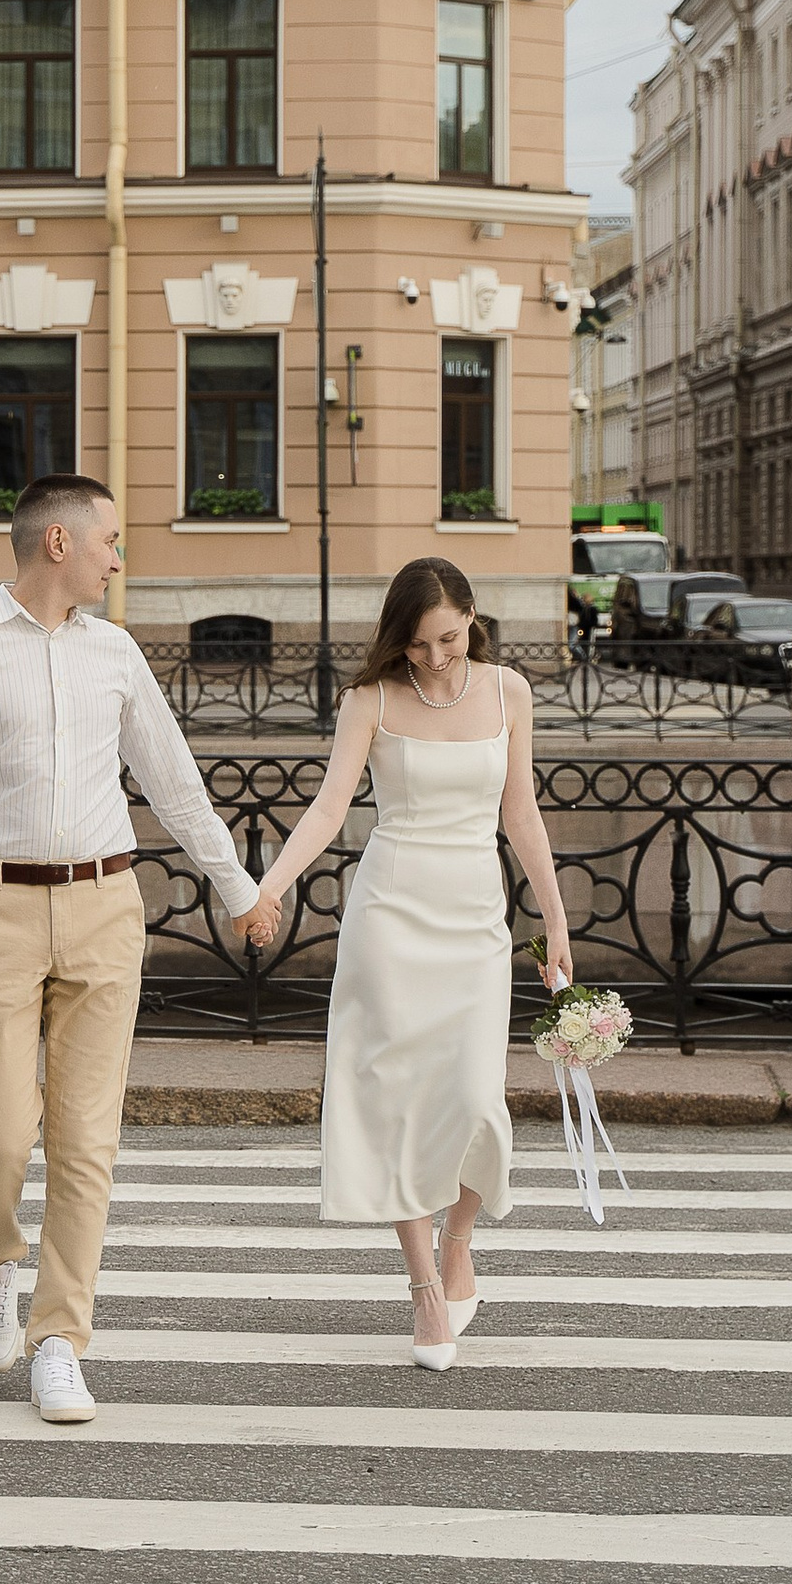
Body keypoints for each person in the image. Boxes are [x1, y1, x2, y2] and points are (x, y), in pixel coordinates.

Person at [0, 477, 261, 1423]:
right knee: (3, 1133)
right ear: (59, 541)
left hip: (104, 905)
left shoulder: (116, 654)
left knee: (88, 1140)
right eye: (110, 540)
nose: (118, 557)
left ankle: (58, 1339)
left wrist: (237, 890)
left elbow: (175, 784)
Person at [241, 557, 572, 1370]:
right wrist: (269, 888)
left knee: (473, 1099)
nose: (435, 658)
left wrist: (556, 925)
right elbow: (328, 807)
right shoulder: (371, 699)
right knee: (396, 1103)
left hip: (473, 921)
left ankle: (459, 1236)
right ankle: (425, 1287)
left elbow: (521, 815)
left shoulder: (508, 692)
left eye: (449, 640)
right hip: (390, 916)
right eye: (420, 645)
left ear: (470, 619)